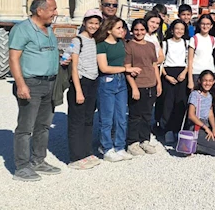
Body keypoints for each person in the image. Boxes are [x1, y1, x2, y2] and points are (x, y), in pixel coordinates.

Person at [9, 0, 63, 181]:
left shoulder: (49, 29)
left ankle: (38, 161)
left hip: (50, 83)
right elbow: (14, 58)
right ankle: (22, 167)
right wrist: (21, 84)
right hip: (31, 83)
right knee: (26, 127)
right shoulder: (22, 29)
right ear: (40, 11)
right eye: (53, 9)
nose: (56, 13)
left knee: (43, 125)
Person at [96, 17, 138, 163]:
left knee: (121, 117)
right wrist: (126, 69)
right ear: (109, 30)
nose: (122, 31)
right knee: (107, 118)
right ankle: (107, 148)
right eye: (118, 28)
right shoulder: (101, 45)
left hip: (121, 81)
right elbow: (104, 68)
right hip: (107, 81)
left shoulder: (121, 43)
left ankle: (120, 146)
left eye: (122, 28)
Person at [66, 9, 102, 170]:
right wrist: (78, 90)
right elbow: (74, 67)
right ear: (84, 23)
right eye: (91, 23)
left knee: (88, 120)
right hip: (80, 82)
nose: (93, 26)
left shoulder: (96, 40)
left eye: (96, 23)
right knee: (77, 121)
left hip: (93, 82)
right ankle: (76, 156)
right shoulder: (77, 40)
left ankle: (86, 152)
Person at [124, 19, 161, 156]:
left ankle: (144, 139)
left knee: (147, 114)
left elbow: (154, 65)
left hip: (150, 83)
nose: (139, 32)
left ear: (146, 30)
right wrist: (133, 87)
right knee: (135, 115)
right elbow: (127, 68)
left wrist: (158, 83)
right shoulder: (129, 45)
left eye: (142, 30)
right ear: (132, 30)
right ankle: (132, 142)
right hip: (137, 84)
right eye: (136, 30)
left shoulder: (151, 45)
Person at [159, 19, 189, 144]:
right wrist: (166, 76)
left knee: (180, 103)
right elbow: (161, 62)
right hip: (168, 73)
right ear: (172, 30)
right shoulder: (165, 43)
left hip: (182, 73)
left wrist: (184, 73)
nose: (179, 31)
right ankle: (166, 130)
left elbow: (189, 60)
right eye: (177, 28)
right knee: (167, 103)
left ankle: (177, 129)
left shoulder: (186, 43)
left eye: (182, 29)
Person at [187, 14, 215, 90]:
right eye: (203, 24)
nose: (205, 26)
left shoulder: (213, 39)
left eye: (208, 24)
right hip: (196, 72)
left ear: (211, 25)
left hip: (210, 72)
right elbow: (189, 60)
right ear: (199, 25)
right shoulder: (194, 39)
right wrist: (190, 79)